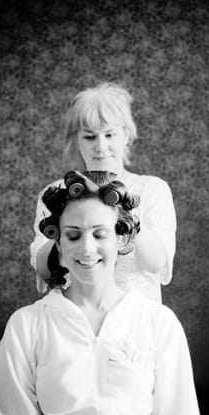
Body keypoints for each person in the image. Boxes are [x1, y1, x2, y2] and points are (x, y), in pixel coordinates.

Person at [0, 171, 199, 415]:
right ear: (58, 243)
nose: (87, 249)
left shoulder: (159, 323)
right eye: (73, 235)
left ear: (121, 238)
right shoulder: (26, 325)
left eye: (100, 234)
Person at [30, 82, 176, 302]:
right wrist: (65, 223)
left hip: (136, 321)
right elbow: (44, 270)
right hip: (73, 320)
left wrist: (121, 208)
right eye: (89, 136)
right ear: (77, 139)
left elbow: (155, 264)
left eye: (109, 135)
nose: (100, 146)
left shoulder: (153, 189)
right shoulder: (54, 192)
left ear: (126, 135)